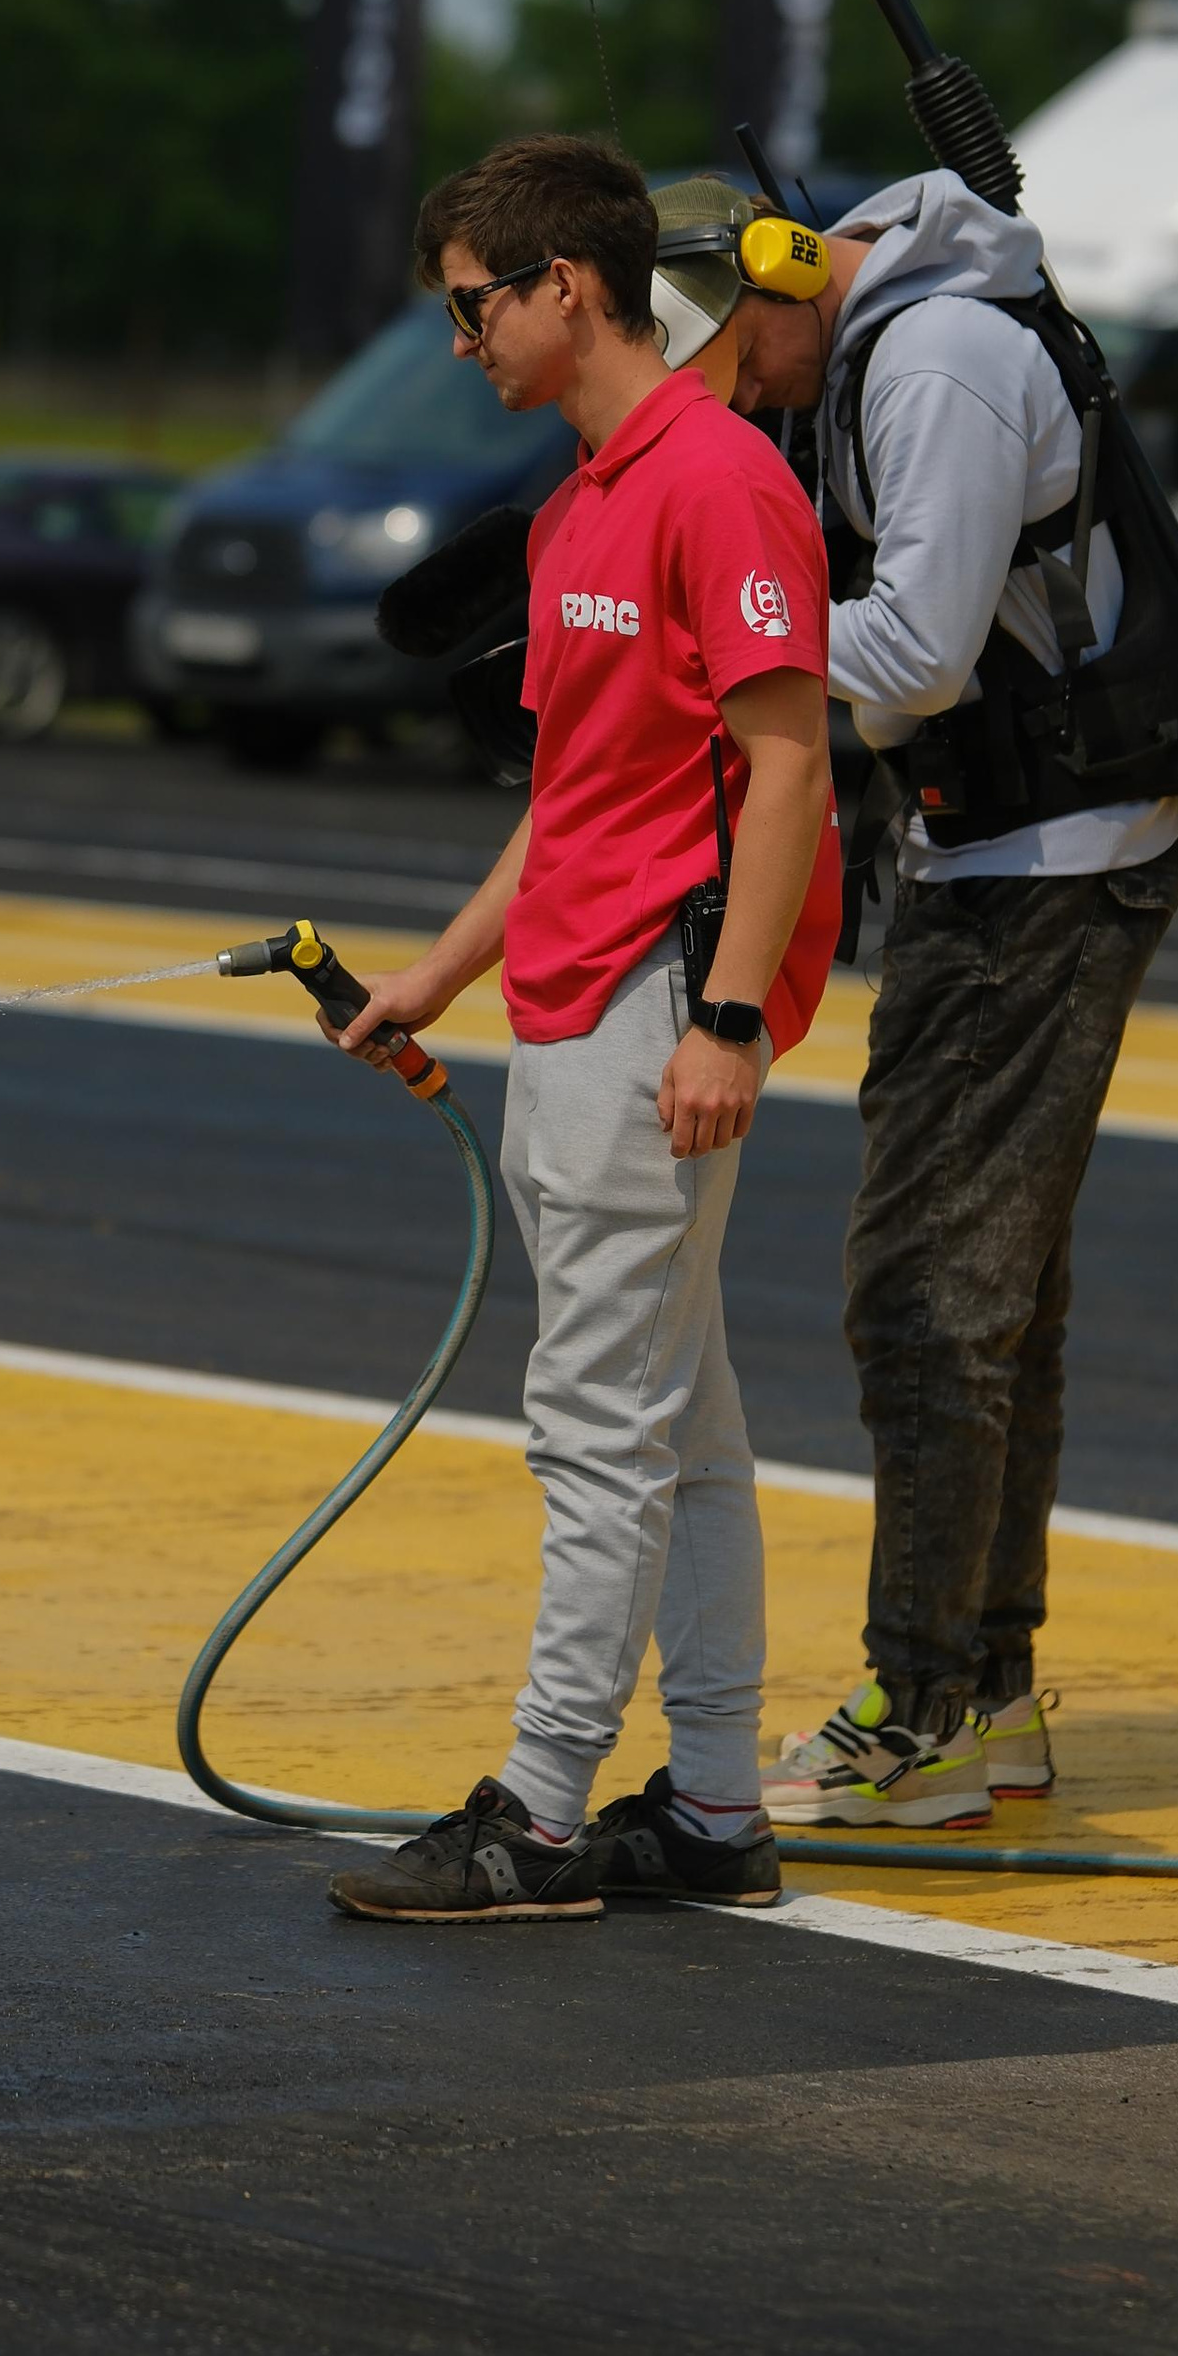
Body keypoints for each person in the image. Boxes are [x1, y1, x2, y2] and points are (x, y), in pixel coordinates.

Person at [321, 137, 839, 1923]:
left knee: (597, 1426)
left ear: (567, 288)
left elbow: (786, 769)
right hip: (568, 992)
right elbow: (572, 797)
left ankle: (539, 1814)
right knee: (680, 1427)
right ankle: (709, 1809)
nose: (461, 338)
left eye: (474, 305)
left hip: (656, 1009)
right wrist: (443, 972)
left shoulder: (722, 483)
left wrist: (727, 1020)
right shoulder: (575, 503)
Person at [712, 166, 1178, 1832]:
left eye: (729, 349)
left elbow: (912, 653)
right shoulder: (891, 351)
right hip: (1007, 844)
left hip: (1044, 860)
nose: (733, 389)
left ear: (782, 272)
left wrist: (719, 638)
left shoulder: (931, 363)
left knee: (922, 1289)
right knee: (1000, 1292)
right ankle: (982, 1691)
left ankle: (919, 1705)